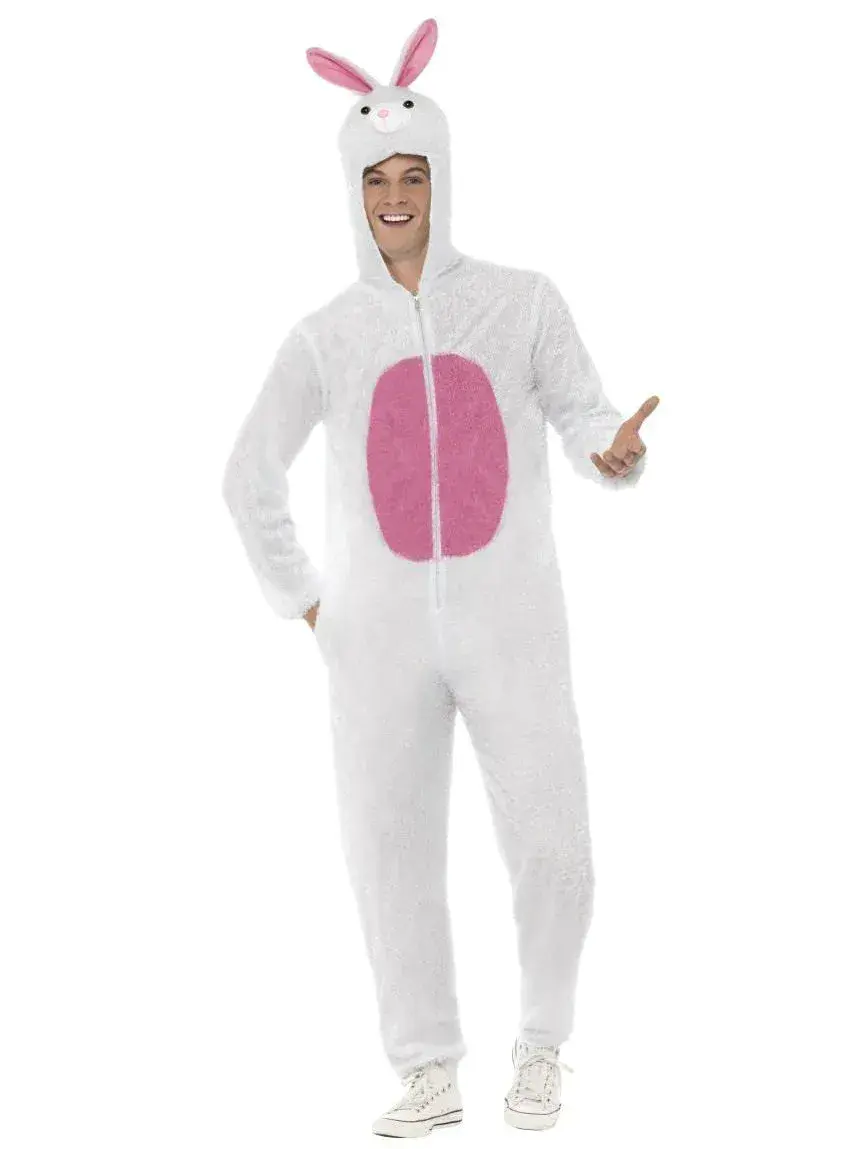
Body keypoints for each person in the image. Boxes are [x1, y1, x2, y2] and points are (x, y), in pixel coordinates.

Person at [221, 18, 659, 1139]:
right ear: (353, 191)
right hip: (375, 639)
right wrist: (310, 603)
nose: (397, 196)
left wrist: (612, 451)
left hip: (512, 616)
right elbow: (247, 474)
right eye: (378, 179)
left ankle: (542, 1046)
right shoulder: (326, 336)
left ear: (443, 180)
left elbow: (584, 412)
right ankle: (425, 1068)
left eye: (414, 175)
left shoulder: (521, 300)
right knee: (389, 853)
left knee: (555, 841)